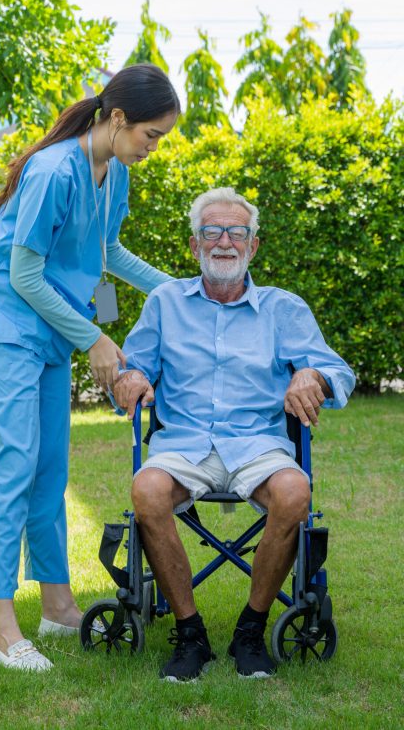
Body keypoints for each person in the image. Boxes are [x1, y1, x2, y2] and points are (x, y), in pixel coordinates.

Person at [0, 64, 180, 671]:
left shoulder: (115, 178)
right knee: (11, 465)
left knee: (49, 466)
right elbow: (23, 274)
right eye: (152, 136)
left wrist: (182, 290)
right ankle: (1, 629)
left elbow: (105, 256)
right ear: (117, 119)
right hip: (5, 322)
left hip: (54, 329)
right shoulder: (53, 171)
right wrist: (95, 342)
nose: (152, 148)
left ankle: (56, 605)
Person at [113, 186, 355, 683]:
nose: (225, 241)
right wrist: (130, 377)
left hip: (257, 444)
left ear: (253, 245)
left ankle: (251, 628)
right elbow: (132, 367)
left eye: (237, 232)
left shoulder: (283, 309)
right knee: (147, 490)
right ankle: (190, 633)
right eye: (212, 232)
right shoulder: (164, 303)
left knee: (295, 492)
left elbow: (338, 372)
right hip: (183, 443)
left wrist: (315, 377)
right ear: (194, 245)